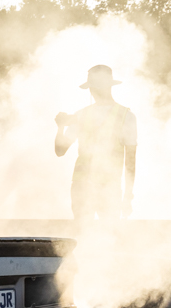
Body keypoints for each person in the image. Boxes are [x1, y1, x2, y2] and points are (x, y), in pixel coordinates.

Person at [55, 65, 137, 220]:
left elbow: (60, 150)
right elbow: (130, 163)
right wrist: (127, 197)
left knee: (83, 235)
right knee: (108, 236)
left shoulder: (81, 115)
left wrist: (60, 127)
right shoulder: (127, 116)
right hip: (108, 188)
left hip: (85, 187)